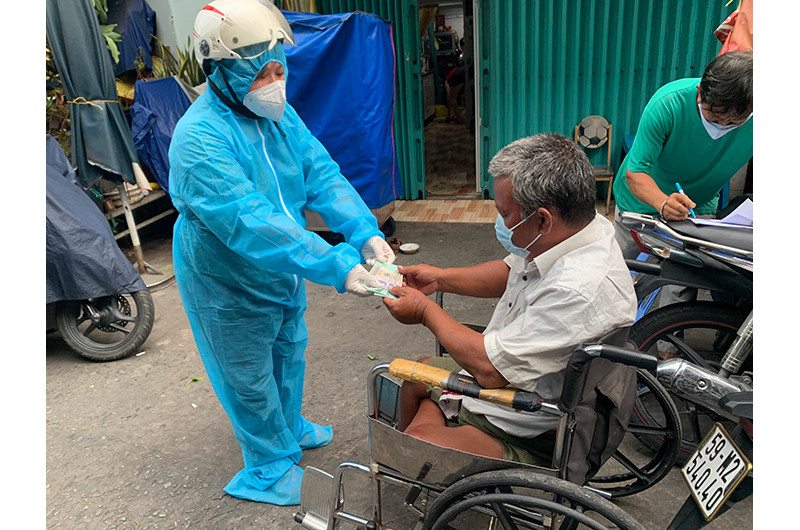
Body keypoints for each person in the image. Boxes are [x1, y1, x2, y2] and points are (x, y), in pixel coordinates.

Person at [168, 0, 395, 505]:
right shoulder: (199, 139)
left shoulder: (278, 116)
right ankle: (267, 465)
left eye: (279, 70)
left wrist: (364, 232)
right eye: (261, 73)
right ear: (219, 70)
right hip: (225, 276)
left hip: (283, 267)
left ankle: (287, 427)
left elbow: (321, 173)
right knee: (247, 373)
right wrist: (337, 264)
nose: (275, 83)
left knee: (289, 350)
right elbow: (250, 221)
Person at [382, 134, 637, 464]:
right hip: (519, 376)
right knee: (415, 375)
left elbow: (490, 371)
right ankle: (429, 444)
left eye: (504, 214)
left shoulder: (576, 288)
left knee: (414, 445)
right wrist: (440, 278)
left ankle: (418, 462)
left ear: (543, 219)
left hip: (529, 420)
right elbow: (510, 272)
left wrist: (423, 311)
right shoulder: (581, 228)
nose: (500, 223)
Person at [612, 50, 753, 259]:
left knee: (688, 271)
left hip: (698, 208)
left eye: (734, 122)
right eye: (714, 117)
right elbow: (636, 172)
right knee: (628, 267)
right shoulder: (668, 104)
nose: (723, 125)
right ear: (700, 92)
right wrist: (663, 203)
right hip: (640, 205)